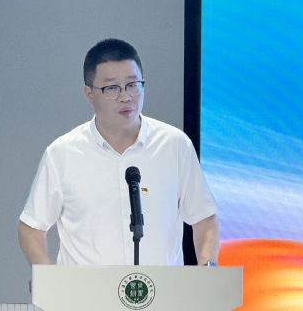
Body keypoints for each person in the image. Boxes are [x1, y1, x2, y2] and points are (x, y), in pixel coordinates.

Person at [18, 38, 219, 268]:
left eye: (133, 85)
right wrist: (46, 276)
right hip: (87, 290)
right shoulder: (62, 154)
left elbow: (205, 219)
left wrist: (208, 269)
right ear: (89, 94)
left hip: (162, 290)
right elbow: (30, 227)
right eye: (112, 88)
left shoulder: (175, 145)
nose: (125, 97)